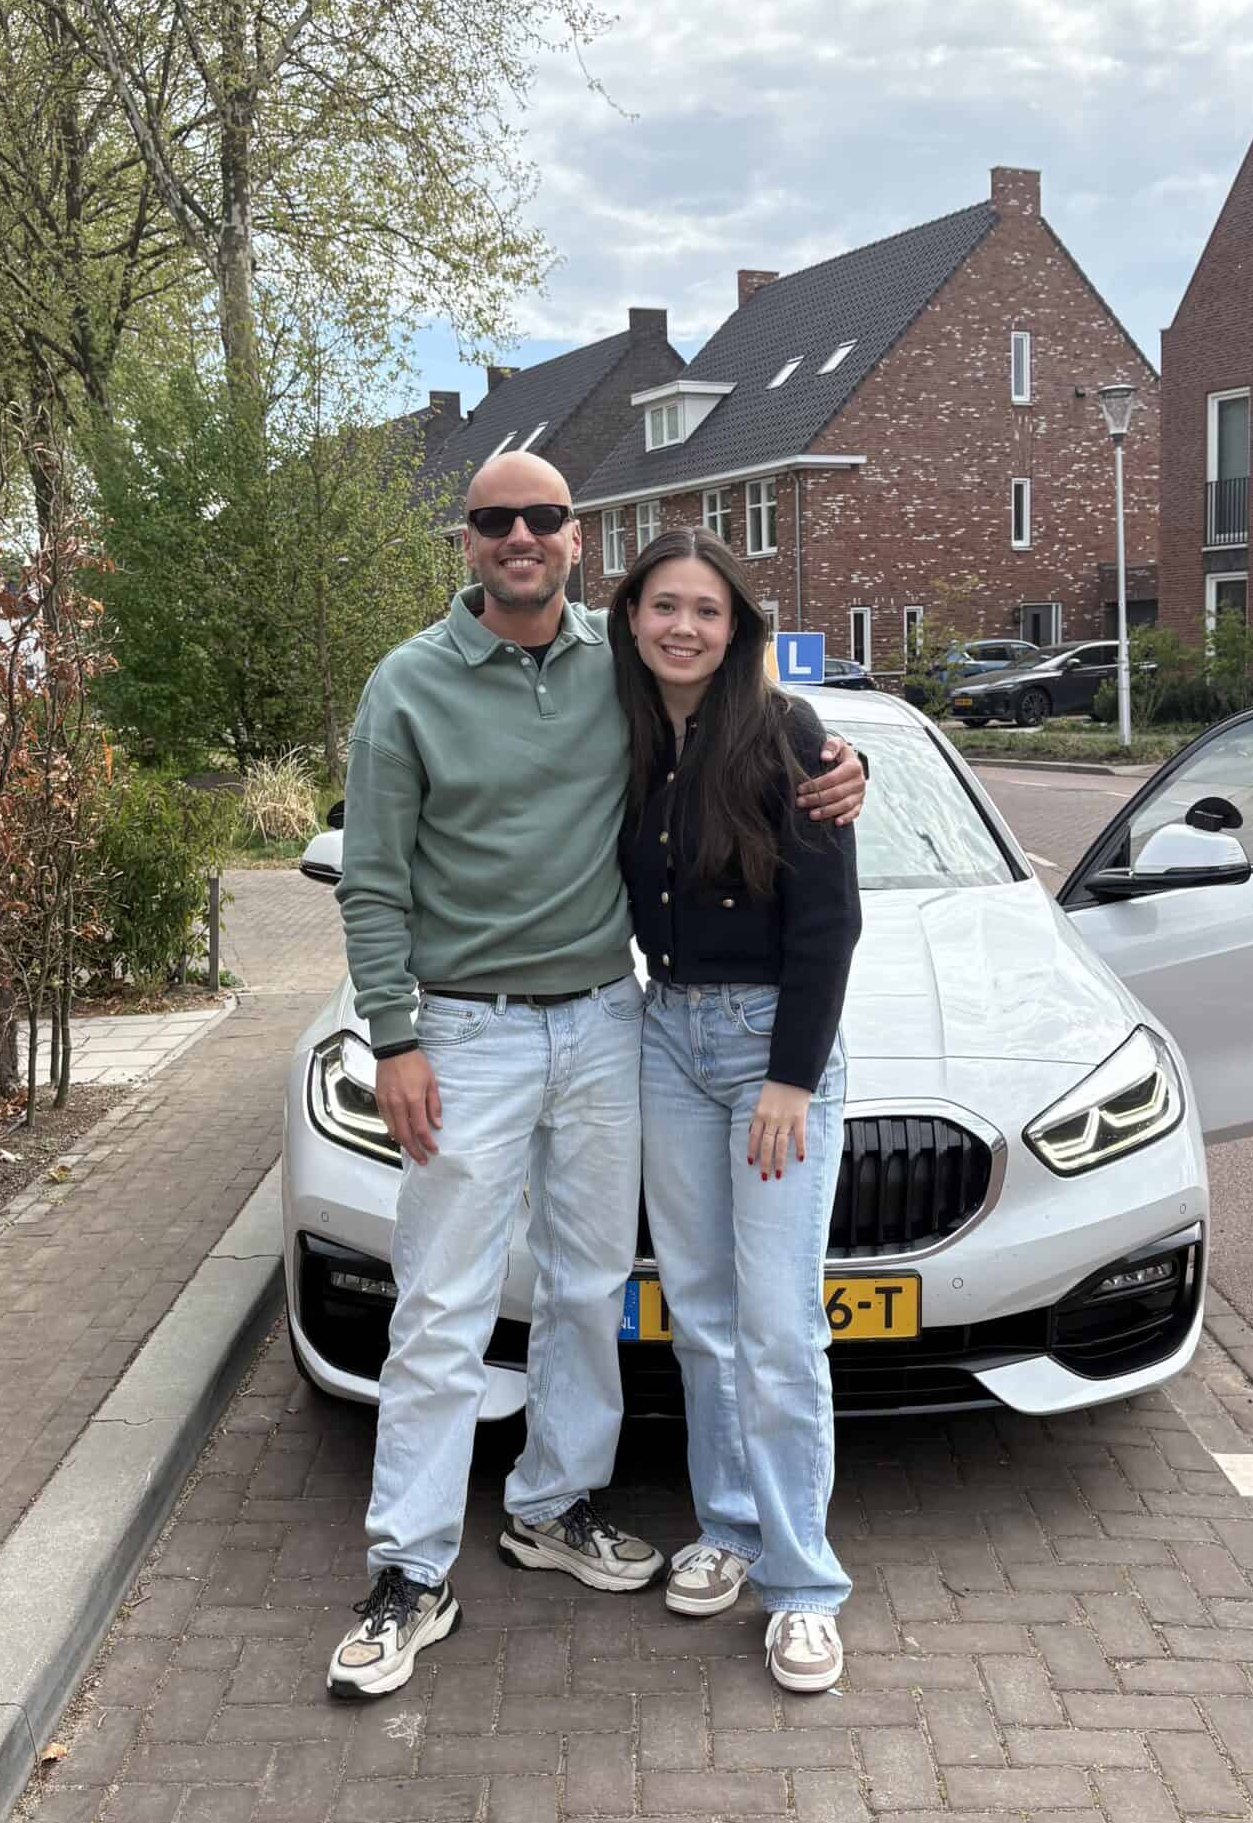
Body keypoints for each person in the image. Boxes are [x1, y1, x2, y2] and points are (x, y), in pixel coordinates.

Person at [326, 452, 865, 1698]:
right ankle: (410, 1568)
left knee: (590, 1288)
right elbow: (372, 877)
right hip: (470, 1035)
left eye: (544, 518)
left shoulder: (613, 667)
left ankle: (554, 1504)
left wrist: (844, 763)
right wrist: (394, 1034)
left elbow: (757, 739)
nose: (520, 536)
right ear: (466, 540)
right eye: (494, 519)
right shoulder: (412, 683)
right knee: (444, 1304)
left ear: (577, 541)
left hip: (614, 1023)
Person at [610, 529, 862, 1693]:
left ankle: (804, 1584)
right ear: (631, 617)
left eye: (707, 610)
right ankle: (726, 1529)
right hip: (667, 1037)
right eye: (665, 605)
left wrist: (791, 1078)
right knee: (702, 1313)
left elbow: (830, 921)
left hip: (771, 1051)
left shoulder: (790, 736)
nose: (685, 627)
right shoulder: (619, 734)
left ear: (738, 626)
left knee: (777, 1322)